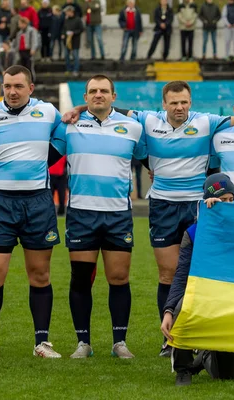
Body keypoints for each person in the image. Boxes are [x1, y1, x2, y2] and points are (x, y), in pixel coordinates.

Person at [61, 80, 234, 357]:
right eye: (174, 103)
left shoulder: (207, 122)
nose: (179, 107)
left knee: (199, 275)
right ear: (164, 104)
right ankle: (170, 341)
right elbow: (108, 104)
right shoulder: (147, 121)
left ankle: (199, 335)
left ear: (190, 103)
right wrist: (79, 107)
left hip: (198, 207)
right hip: (163, 206)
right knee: (168, 274)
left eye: (184, 102)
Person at [0, 65, 65, 359]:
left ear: (30, 88)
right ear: (2, 87)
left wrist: (37, 162)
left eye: (19, 86)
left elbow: (63, 136)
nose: (12, 91)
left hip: (38, 202)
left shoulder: (48, 112)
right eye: (7, 86)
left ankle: (42, 343)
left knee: (40, 274)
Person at [55, 75, 146, 360]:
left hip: (118, 214)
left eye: (103, 91)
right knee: (81, 280)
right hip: (82, 212)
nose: (98, 95)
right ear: (85, 96)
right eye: (93, 91)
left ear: (113, 96)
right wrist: (76, 112)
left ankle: (119, 342)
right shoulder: (68, 126)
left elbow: (147, 159)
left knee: (119, 278)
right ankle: (84, 343)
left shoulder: (133, 128)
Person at [161, 173, 234, 386]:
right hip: (201, 295)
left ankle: (205, 356)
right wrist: (168, 310)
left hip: (230, 298)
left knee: (227, 377)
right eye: (222, 200)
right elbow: (181, 275)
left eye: (231, 200)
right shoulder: (194, 233)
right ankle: (183, 369)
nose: (228, 205)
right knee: (180, 308)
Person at [62, 6, 84, 76]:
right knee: (66, 55)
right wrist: (63, 34)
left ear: (71, 12)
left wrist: (74, 32)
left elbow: (82, 29)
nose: (66, 13)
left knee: (75, 56)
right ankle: (68, 69)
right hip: (67, 41)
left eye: (67, 12)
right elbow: (64, 29)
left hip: (75, 41)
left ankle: (76, 70)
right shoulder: (66, 20)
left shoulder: (78, 19)